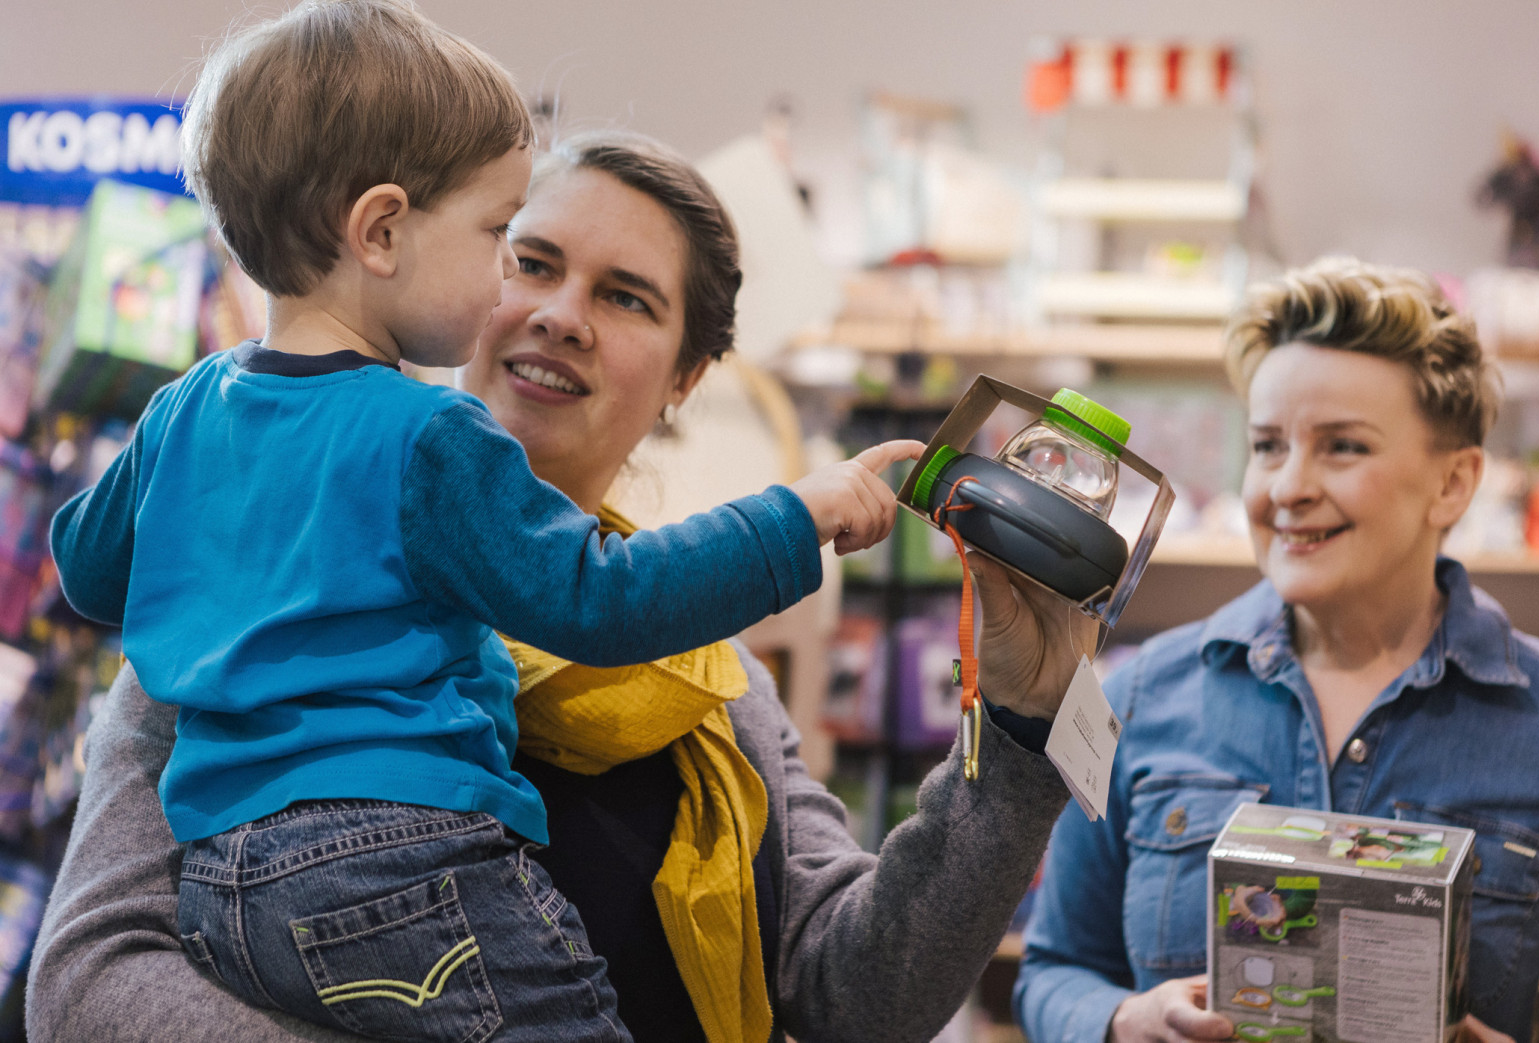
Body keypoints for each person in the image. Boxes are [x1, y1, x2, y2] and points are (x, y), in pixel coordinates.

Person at [26, 128, 1100, 1043]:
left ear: (684, 379)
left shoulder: (713, 689)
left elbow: (859, 992)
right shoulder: (264, 601)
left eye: (626, 297)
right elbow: (87, 984)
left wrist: (1018, 734)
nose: (561, 312)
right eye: (527, 261)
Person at [1013, 256, 1539, 1043]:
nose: (1287, 487)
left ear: (1454, 484)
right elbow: (1053, 970)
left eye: (1343, 446)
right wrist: (1122, 1020)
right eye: (1267, 445)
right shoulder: (1136, 698)